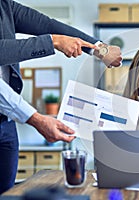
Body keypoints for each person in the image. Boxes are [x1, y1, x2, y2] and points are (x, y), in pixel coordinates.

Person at [0, 0, 122, 194]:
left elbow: (45, 24)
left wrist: (98, 48)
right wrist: (53, 41)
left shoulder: (4, 5)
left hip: (6, 123)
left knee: (6, 194)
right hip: (12, 112)